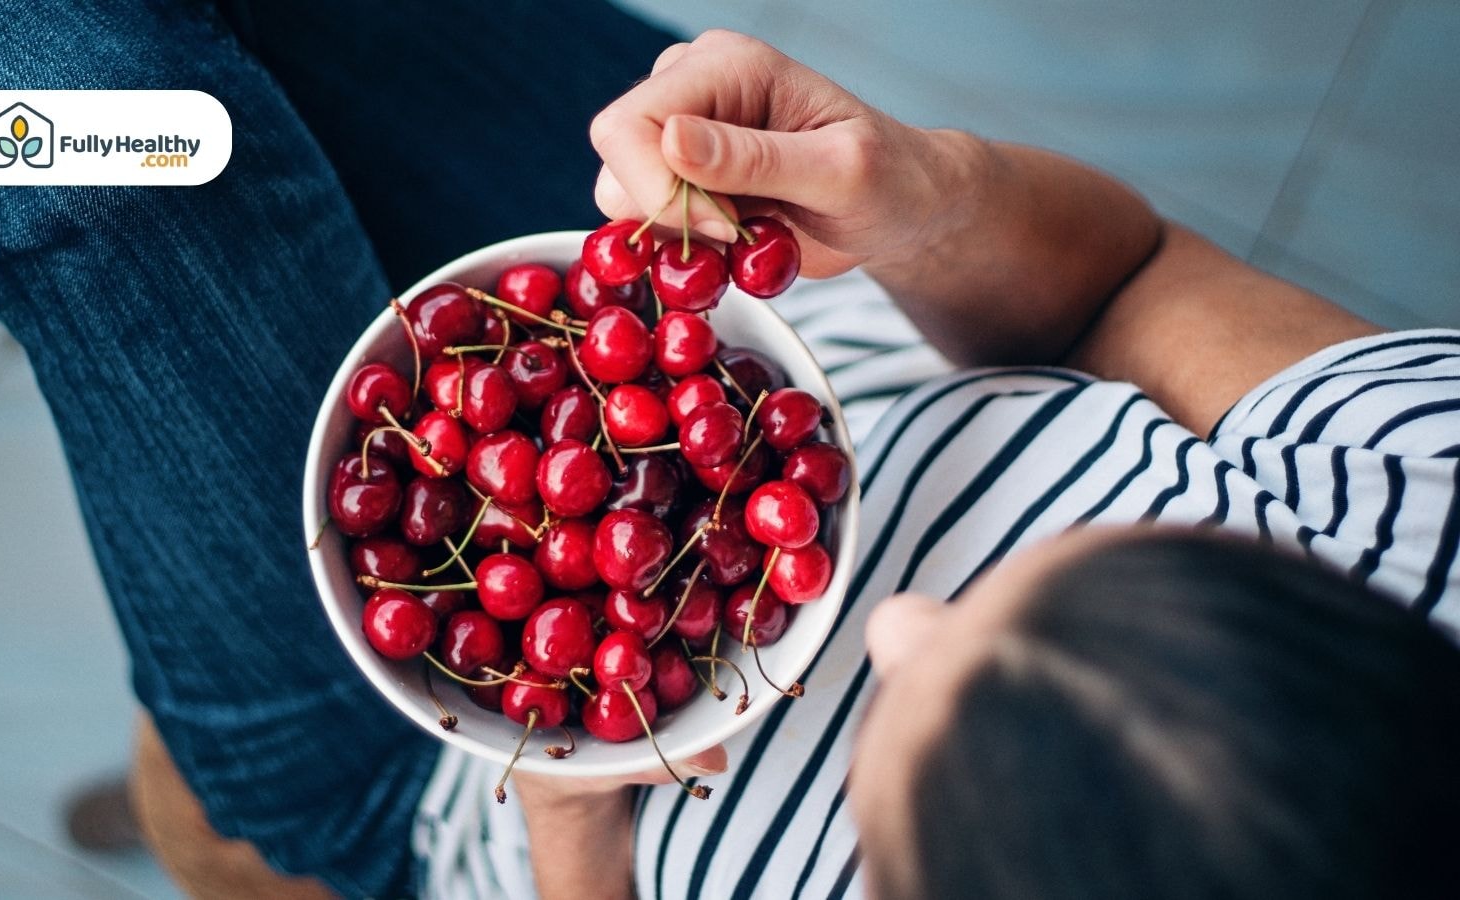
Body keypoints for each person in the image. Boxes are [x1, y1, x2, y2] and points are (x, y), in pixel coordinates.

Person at [402, 30, 1460, 900]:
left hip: (423, 790)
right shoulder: (1426, 490)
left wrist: (570, 817)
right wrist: (927, 198)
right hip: (722, 321)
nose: (895, 618)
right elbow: (1125, 285)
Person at [0, 1, 678, 896]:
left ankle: (196, 790)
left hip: (459, 783)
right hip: (715, 307)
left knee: (88, 117)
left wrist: (570, 815)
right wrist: (865, 218)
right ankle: (188, 761)